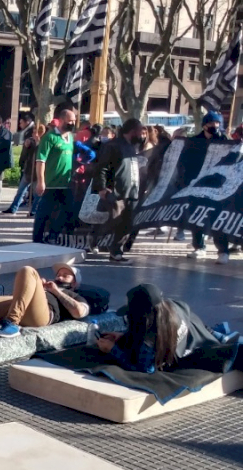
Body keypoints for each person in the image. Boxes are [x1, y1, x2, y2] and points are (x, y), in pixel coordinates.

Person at [97, 283, 232, 373]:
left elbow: (144, 369)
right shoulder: (175, 306)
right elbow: (197, 324)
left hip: (198, 356)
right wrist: (125, 337)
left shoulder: (150, 339)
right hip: (203, 340)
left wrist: (112, 350)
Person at [92, 119, 145, 264]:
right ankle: (94, 238)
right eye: (140, 131)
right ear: (133, 131)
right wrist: (102, 187)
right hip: (116, 191)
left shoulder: (131, 147)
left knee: (127, 223)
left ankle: (116, 251)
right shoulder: (113, 146)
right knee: (114, 220)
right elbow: (102, 167)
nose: (142, 134)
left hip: (132, 192)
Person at [184, 111, 231, 264]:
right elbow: (186, 162)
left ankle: (223, 251)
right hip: (197, 185)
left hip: (217, 186)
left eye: (217, 123)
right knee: (196, 216)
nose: (214, 126)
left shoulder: (225, 140)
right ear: (204, 125)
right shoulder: (194, 141)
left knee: (217, 218)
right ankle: (199, 247)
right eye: (211, 123)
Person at [33, 108, 77, 244]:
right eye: (70, 121)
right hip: (51, 183)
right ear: (62, 120)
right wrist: (41, 181)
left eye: (74, 121)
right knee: (43, 212)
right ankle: (37, 239)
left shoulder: (70, 138)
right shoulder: (49, 137)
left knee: (69, 209)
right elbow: (40, 161)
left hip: (65, 182)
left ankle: (53, 235)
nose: (73, 123)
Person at [4, 114, 38, 215]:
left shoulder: (40, 142)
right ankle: (14, 208)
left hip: (36, 170)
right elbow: (25, 153)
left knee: (36, 193)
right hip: (28, 169)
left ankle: (34, 210)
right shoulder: (30, 139)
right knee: (21, 190)